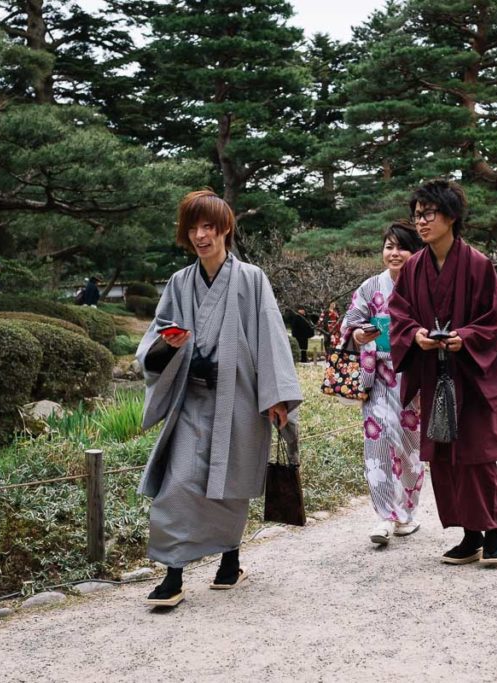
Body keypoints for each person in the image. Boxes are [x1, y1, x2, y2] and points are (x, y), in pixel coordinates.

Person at [135, 189, 302, 607]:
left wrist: (277, 398)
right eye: (193, 228)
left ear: (225, 228)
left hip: (239, 398)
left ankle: (231, 562)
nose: (200, 236)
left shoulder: (251, 279)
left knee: (230, 485)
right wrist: (170, 346)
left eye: (209, 226)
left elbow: (270, 338)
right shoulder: (179, 283)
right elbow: (155, 341)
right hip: (191, 401)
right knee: (177, 486)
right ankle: (173, 576)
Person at [389, 179, 497, 567]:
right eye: (417, 215)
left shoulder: (478, 264)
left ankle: (494, 533)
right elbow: (399, 314)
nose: (421, 222)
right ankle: (470, 535)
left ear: (451, 216)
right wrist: (415, 335)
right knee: (443, 456)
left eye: (429, 214)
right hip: (435, 376)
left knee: (476, 454)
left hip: (472, 377)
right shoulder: (413, 268)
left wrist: (466, 338)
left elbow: (496, 321)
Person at [341, 222, 426, 546]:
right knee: (377, 446)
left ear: (415, 252)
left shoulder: (425, 286)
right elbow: (350, 324)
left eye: (402, 247)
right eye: (389, 247)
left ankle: (406, 514)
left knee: (410, 450)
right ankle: (385, 516)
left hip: (414, 377)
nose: (394, 253)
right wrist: (359, 334)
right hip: (377, 376)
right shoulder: (370, 287)